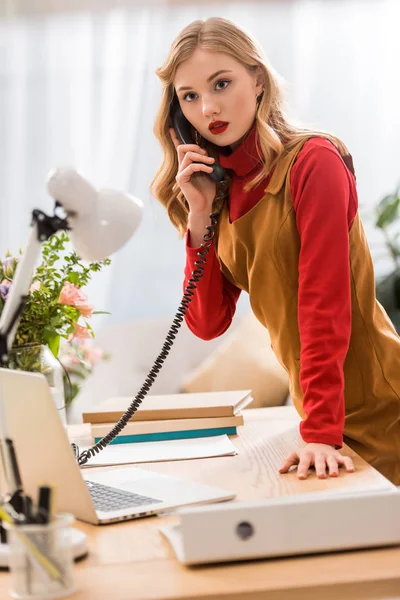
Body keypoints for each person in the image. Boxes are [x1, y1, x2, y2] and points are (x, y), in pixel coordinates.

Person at [150, 17, 400, 484]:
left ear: (258, 79)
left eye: (221, 83)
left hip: (380, 409)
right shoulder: (215, 190)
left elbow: (323, 304)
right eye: (189, 96)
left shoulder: (314, 162)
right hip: (318, 423)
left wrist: (321, 432)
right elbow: (207, 324)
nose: (208, 107)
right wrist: (200, 213)